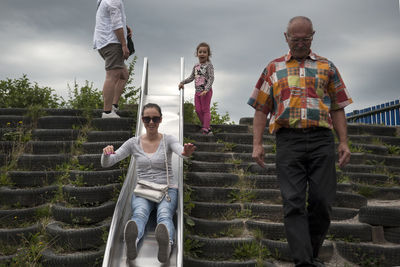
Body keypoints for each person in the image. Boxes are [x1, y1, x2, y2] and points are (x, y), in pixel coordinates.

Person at [248, 16, 352, 267]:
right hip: (288, 141)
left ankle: (311, 254)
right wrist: (257, 144)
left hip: (321, 140)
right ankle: (304, 262)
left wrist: (344, 142)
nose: (301, 43)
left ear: (313, 37)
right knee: (293, 201)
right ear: (286, 38)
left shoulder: (327, 66)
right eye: (296, 39)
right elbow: (261, 109)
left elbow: (338, 107)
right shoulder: (273, 68)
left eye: (306, 39)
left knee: (322, 202)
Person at [101, 103, 196, 263]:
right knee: (139, 213)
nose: (151, 122)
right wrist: (106, 154)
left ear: (160, 120)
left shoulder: (168, 140)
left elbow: (182, 152)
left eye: (155, 118)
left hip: (167, 190)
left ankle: (167, 244)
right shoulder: (133, 143)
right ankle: (132, 241)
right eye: (147, 119)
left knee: (165, 214)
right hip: (143, 190)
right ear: (142, 120)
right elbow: (109, 162)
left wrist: (186, 152)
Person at [93, 0, 132, 118]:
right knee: (112, 75)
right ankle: (107, 112)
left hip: (104, 42)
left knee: (123, 75)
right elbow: (116, 24)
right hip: (112, 42)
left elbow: (110, 19)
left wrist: (126, 28)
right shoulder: (114, 0)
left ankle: (113, 105)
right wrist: (124, 44)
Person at [179, 42, 214, 135]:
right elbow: (191, 77)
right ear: (197, 54)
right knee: (198, 110)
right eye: (200, 52)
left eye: (204, 52)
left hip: (206, 91)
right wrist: (182, 82)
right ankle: (207, 126)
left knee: (205, 109)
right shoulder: (196, 66)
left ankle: (205, 128)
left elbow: (211, 78)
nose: (202, 54)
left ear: (208, 54)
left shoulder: (209, 65)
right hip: (197, 92)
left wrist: (206, 89)